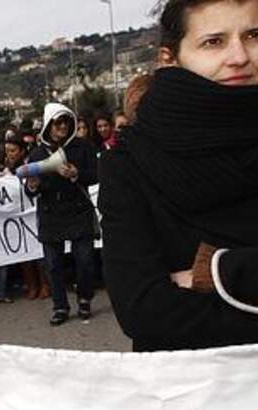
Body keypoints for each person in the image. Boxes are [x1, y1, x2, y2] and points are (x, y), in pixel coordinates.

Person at [99, 0, 258, 351]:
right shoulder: (128, 162)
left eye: (253, 35)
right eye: (213, 42)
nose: (239, 56)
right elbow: (145, 312)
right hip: (196, 392)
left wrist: (218, 271)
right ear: (169, 58)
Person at [24, 103, 99, 325]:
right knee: (53, 264)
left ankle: (84, 298)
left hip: (78, 210)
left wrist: (77, 174)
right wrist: (33, 185)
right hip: (51, 215)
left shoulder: (82, 147)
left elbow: (96, 174)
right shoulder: (37, 154)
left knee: (85, 259)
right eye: (58, 122)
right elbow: (28, 191)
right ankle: (60, 306)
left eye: (66, 121)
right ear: (49, 125)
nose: (63, 126)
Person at [3, 134, 50, 301]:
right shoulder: (5, 170)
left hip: (33, 213)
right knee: (24, 253)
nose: (10, 154)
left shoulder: (31, 165)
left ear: (22, 151)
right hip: (17, 217)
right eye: (7, 151)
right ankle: (32, 285)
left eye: (13, 150)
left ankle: (45, 284)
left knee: (38, 253)